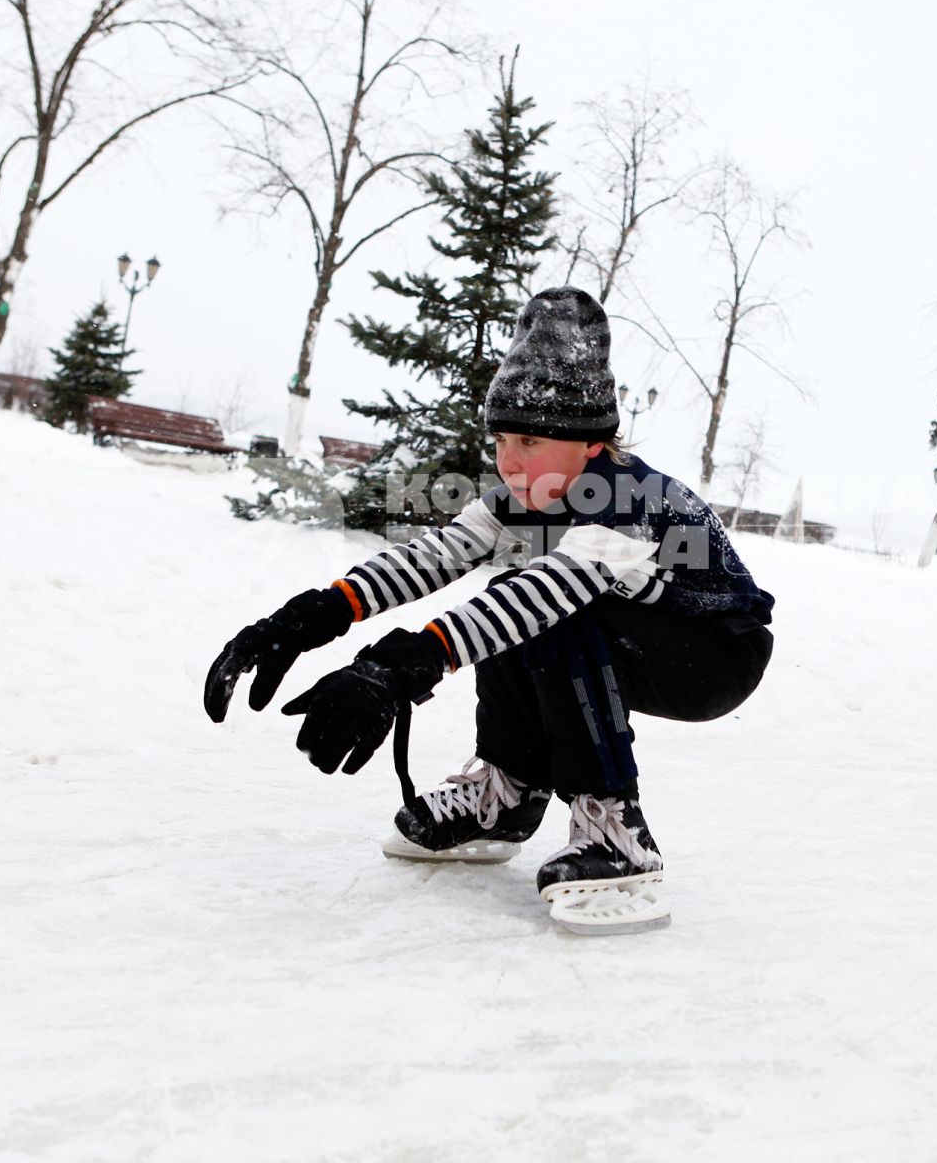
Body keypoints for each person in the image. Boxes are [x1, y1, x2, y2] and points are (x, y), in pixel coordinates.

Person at [203, 287, 775, 933]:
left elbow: (546, 594)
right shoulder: (520, 497)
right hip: (636, 631)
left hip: (716, 651)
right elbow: (434, 556)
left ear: (588, 442)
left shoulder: (627, 500)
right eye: (501, 439)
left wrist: (403, 665)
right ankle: (508, 792)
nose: (507, 460)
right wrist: (309, 618)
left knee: (543, 608)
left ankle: (617, 833)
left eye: (527, 440)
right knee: (520, 612)